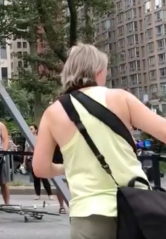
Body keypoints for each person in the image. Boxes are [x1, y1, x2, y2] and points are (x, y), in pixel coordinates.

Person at [32, 43, 166, 239]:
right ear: (97, 71)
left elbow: (40, 168)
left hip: (88, 214)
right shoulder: (120, 98)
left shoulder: (53, 113)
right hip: (135, 208)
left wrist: (69, 167)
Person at [27, 125, 52, 200]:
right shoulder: (27, 139)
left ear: (36, 130)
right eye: (29, 129)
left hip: (40, 159)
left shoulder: (40, 138)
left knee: (44, 177)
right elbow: (26, 150)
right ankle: (38, 194)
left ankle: (50, 194)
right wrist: (24, 161)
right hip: (31, 159)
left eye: (31, 129)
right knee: (36, 178)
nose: (30, 130)